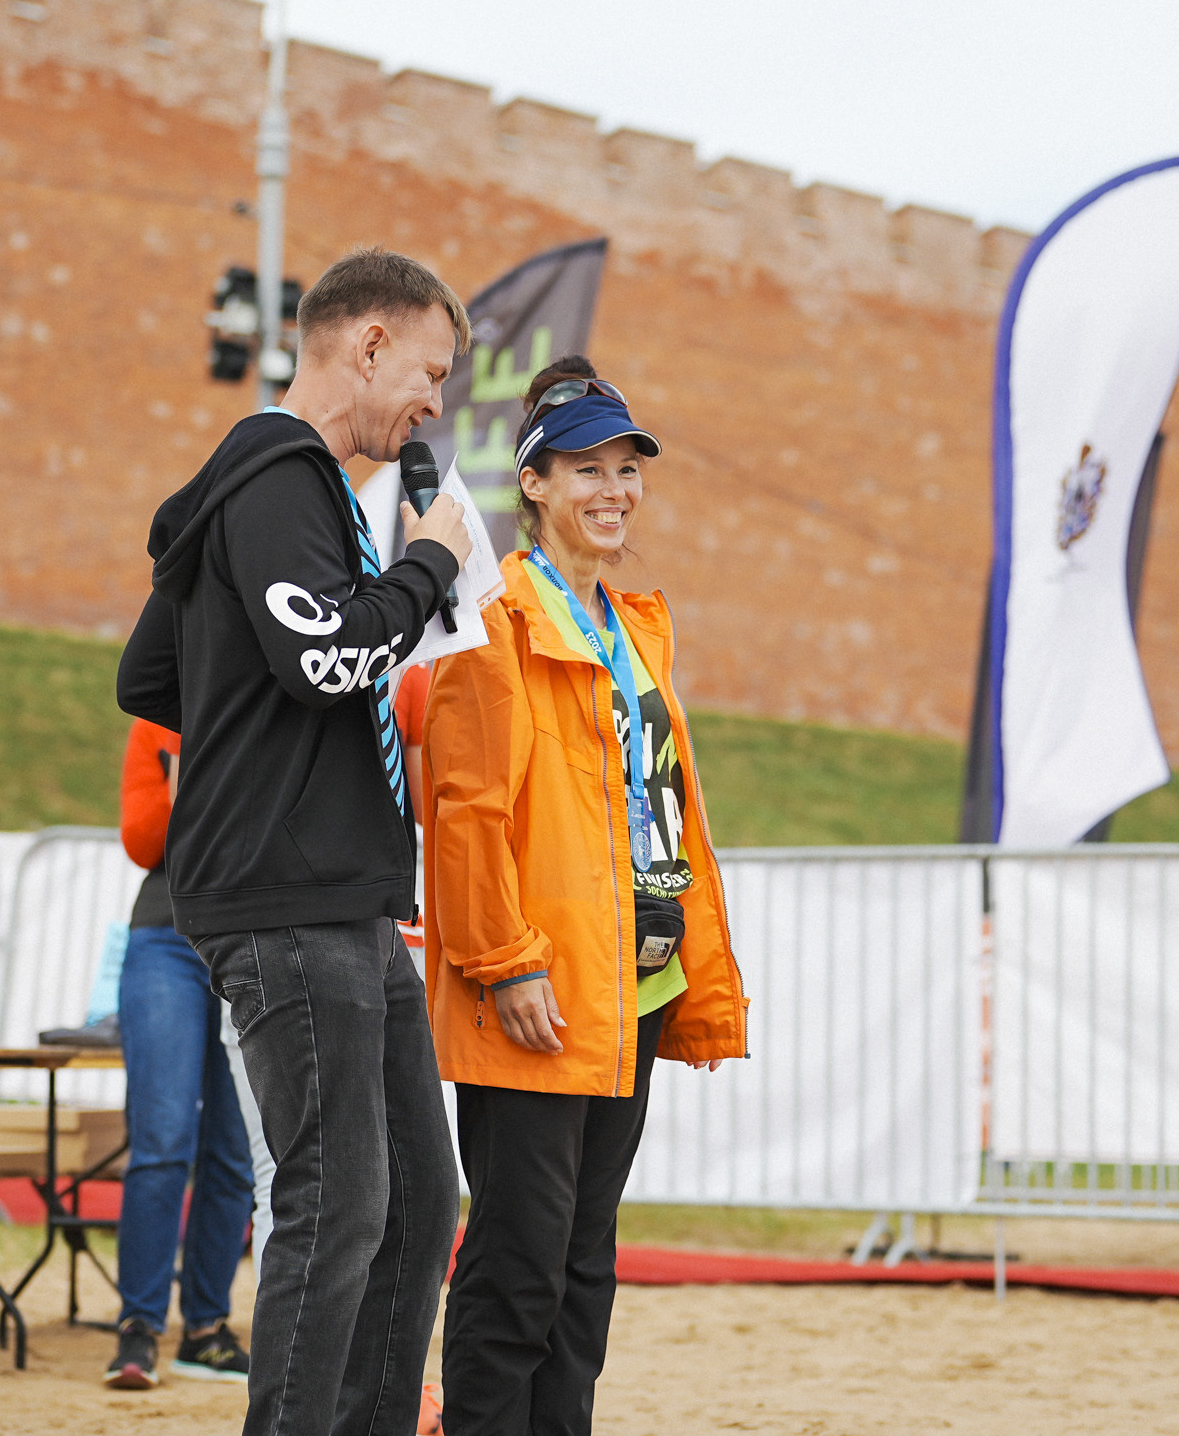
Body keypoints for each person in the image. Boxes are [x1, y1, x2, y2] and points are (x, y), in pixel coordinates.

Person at [116, 246, 474, 1436]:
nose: (433, 403)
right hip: (286, 894)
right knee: (339, 1201)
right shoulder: (277, 471)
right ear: (365, 342)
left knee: (420, 1195)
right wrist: (430, 564)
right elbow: (324, 655)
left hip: (344, 893)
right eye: (428, 370)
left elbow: (148, 674)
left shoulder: (267, 495)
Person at [424, 360, 750, 1436]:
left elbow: (660, 811)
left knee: (582, 1268)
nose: (613, 489)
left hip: (630, 993)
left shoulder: (636, 627)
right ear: (535, 484)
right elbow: (466, 813)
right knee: (519, 1265)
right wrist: (506, 960)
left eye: (627, 469)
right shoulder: (499, 618)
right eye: (586, 470)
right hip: (538, 988)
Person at [104, 718, 256, 1389]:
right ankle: (137, 1328)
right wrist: (195, 769)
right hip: (164, 938)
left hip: (252, 940)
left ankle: (206, 1329)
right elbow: (143, 841)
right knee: (162, 1137)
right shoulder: (159, 722)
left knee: (233, 1149)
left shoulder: (274, 701)